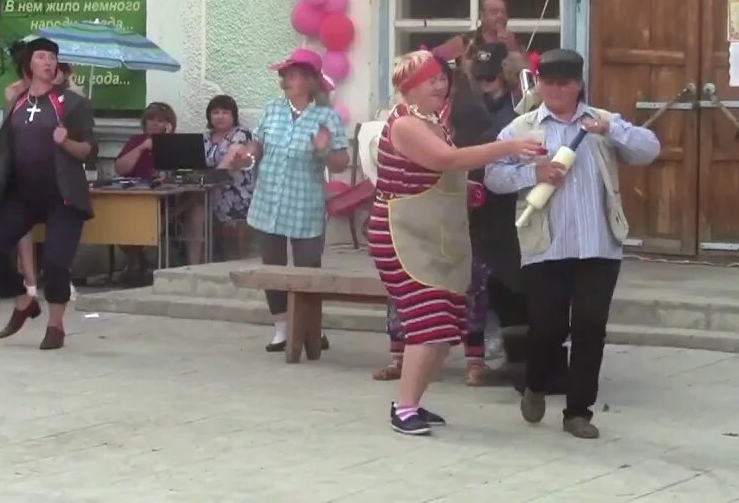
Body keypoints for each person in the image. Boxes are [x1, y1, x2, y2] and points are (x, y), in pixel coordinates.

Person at [485, 48, 660, 440]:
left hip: (599, 245)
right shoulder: (523, 127)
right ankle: (535, 383)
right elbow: (493, 175)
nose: (556, 89)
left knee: (589, 327)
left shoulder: (600, 122)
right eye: (548, 82)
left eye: (564, 82)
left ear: (578, 83)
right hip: (546, 246)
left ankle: (578, 411)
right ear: (540, 84)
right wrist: (534, 172)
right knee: (546, 328)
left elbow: (649, 149)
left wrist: (612, 130)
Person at [367, 50, 545, 436]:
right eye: (431, 79)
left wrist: (470, 191)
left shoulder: (431, 120)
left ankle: (413, 401)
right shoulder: (405, 125)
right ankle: (403, 407)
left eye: (442, 78)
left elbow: (439, 173)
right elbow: (447, 160)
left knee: (447, 326)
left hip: (435, 234)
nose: (440, 84)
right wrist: (509, 146)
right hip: (403, 236)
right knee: (428, 323)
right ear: (408, 87)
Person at [0, 37, 97, 351]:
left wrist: (65, 142)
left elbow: (88, 151)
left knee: (56, 263)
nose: (47, 62)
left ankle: (55, 326)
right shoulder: (16, 101)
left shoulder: (71, 103)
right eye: (41, 57)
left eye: (52, 58)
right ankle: (22, 300)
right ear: (30, 63)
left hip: (62, 196)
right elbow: (8, 144)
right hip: (24, 196)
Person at [223, 48, 349, 352]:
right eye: (284, 75)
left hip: (304, 204)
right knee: (273, 267)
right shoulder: (272, 109)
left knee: (308, 271)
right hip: (268, 201)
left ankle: (310, 328)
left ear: (309, 80)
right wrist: (248, 154)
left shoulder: (326, 117)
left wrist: (323, 149)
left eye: (292, 75)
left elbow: (341, 162)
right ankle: (281, 328)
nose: (285, 80)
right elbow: (259, 143)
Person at [115, 102, 207, 282]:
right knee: (121, 218)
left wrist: (166, 142)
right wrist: (142, 148)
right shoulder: (136, 141)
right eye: (150, 119)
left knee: (196, 203)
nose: (154, 124)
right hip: (139, 200)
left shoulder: (178, 143)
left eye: (160, 120)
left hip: (173, 203)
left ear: (168, 124)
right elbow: (120, 169)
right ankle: (136, 264)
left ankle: (191, 267)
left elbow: (189, 177)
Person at [203, 95, 256, 261]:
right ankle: (198, 260)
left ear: (233, 116)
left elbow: (234, 157)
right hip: (208, 189)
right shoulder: (205, 137)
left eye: (225, 112)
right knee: (194, 202)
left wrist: (215, 176)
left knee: (200, 200)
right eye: (215, 112)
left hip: (235, 191)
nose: (219, 116)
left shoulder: (240, 133)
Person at [432, 0, 525, 64]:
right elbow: (432, 57)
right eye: (494, 11)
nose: (500, 16)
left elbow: (529, 72)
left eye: (503, 12)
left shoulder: (515, 42)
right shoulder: (467, 41)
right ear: (482, 16)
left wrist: (512, 48)